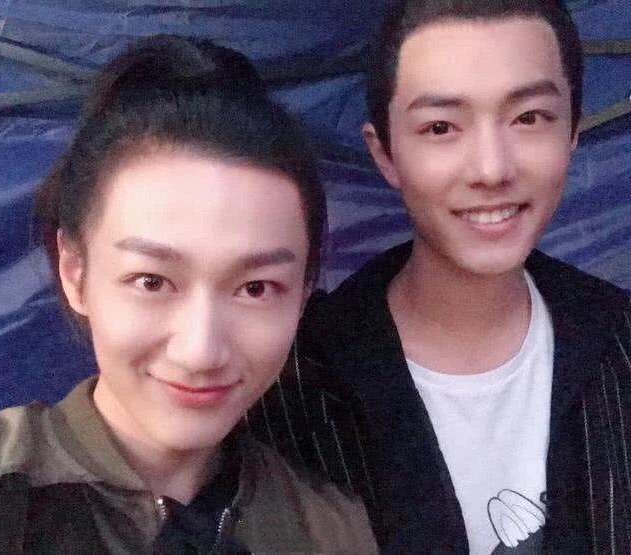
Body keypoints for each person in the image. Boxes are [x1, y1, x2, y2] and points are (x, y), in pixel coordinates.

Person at [252, 1, 631, 553]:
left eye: (529, 118)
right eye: (440, 127)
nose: (491, 169)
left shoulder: (620, 343)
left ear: (572, 130)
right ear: (385, 153)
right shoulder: (291, 387)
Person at [0, 34, 378, 554]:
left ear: (304, 292)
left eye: (255, 288)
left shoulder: (329, 532)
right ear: (75, 273)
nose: (200, 352)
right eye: (151, 281)